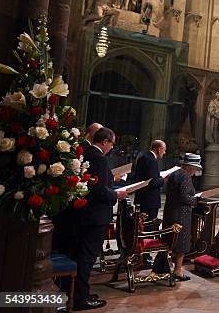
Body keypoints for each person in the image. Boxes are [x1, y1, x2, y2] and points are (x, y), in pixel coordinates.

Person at [71, 128, 128, 310]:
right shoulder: (100, 159)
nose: (112, 148)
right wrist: (116, 195)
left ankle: (78, 292)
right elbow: (100, 191)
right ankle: (81, 298)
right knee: (87, 257)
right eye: (112, 144)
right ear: (105, 142)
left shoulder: (85, 153)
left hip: (83, 214)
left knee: (81, 254)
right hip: (95, 216)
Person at [153, 153, 202, 281]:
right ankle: (178, 271)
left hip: (171, 212)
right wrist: (196, 199)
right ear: (191, 167)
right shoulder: (185, 177)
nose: (195, 172)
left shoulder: (175, 174)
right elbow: (184, 197)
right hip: (181, 214)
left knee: (170, 240)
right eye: (195, 169)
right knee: (181, 242)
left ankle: (162, 266)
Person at [133, 140, 168, 265]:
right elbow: (152, 182)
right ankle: (145, 255)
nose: (164, 152)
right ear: (158, 149)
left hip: (142, 198)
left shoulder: (143, 157)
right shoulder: (151, 160)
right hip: (149, 200)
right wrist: (163, 180)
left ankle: (140, 252)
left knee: (142, 227)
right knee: (148, 228)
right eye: (164, 149)